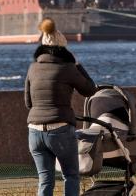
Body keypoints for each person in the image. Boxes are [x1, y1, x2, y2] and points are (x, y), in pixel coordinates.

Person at [25, 18, 97, 196]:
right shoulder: (68, 68)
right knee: (71, 175)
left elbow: (28, 103)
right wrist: (77, 64)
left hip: (34, 131)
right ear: (63, 49)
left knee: (45, 179)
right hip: (60, 130)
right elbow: (90, 90)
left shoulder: (33, 68)